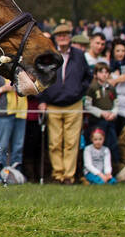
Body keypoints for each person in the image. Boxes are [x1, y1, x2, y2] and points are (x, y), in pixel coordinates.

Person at [38, 20, 90, 184]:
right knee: (54, 142)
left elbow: (87, 77)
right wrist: (43, 99)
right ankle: (57, 174)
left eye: (65, 35)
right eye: (59, 36)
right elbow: (41, 78)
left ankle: (68, 175)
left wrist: (79, 91)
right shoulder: (49, 55)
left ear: (70, 37)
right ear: (55, 38)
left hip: (73, 104)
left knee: (71, 142)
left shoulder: (79, 56)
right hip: (53, 103)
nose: (63, 38)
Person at [84, 61, 119, 156]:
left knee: (111, 143)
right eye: (101, 72)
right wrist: (101, 113)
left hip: (110, 121)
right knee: (96, 143)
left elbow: (116, 104)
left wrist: (113, 113)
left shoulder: (111, 88)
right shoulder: (92, 88)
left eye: (106, 72)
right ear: (95, 74)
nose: (104, 74)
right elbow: (88, 106)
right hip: (96, 121)